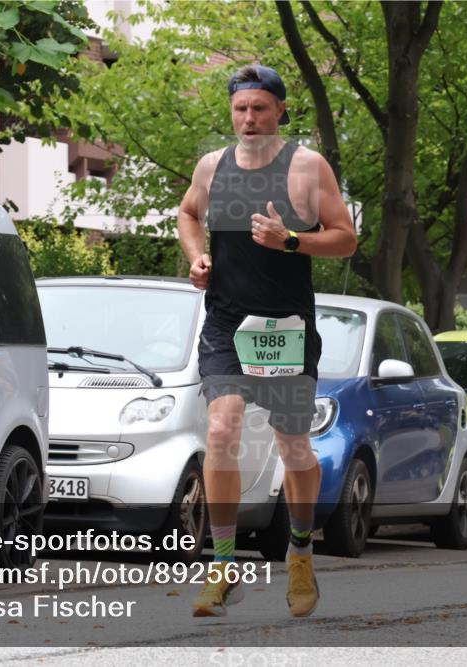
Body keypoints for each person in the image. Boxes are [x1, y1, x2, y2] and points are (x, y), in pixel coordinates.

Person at [176, 64, 357, 618]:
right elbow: (186, 214)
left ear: (280, 110)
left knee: (293, 448)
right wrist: (197, 258)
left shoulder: (306, 167)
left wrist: (291, 240)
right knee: (222, 428)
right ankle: (225, 564)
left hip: (284, 329)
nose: (249, 119)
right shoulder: (213, 166)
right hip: (228, 324)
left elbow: (345, 239)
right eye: (240, 109)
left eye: (259, 108)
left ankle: (300, 553)